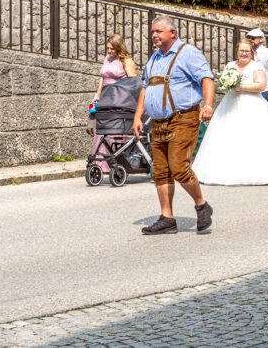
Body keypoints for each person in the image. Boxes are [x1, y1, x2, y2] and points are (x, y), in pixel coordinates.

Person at [133, 16, 215, 235]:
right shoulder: (154, 59)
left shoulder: (188, 53)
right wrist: (138, 115)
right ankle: (167, 218)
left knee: (178, 166)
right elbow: (145, 87)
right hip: (158, 122)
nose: (154, 36)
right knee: (161, 172)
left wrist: (207, 105)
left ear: (173, 33)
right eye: (152, 32)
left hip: (183, 118)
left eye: (158, 31)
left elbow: (207, 78)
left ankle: (201, 205)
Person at [193, 40, 268, 185]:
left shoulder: (256, 66)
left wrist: (240, 86)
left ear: (252, 53)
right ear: (236, 52)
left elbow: (261, 85)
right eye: (241, 51)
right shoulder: (230, 66)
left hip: (252, 104)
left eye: (247, 51)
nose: (244, 54)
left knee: (254, 136)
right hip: (230, 104)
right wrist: (228, 85)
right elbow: (223, 84)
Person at [89, 35, 137, 172]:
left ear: (119, 48)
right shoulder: (108, 59)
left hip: (118, 99)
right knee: (102, 129)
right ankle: (100, 163)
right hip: (105, 97)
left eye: (112, 49)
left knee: (113, 130)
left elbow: (133, 84)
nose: (109, 51)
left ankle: (114, 162)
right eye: (108, 48)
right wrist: (96, 96)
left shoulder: (127, 61)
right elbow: (102, 79)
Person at [248, 28, 268, 104]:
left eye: (253, 38)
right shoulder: (246, 53)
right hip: (249, 91)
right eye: (248, 38)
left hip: (264, 92)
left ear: (261, 39)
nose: (250, 40)